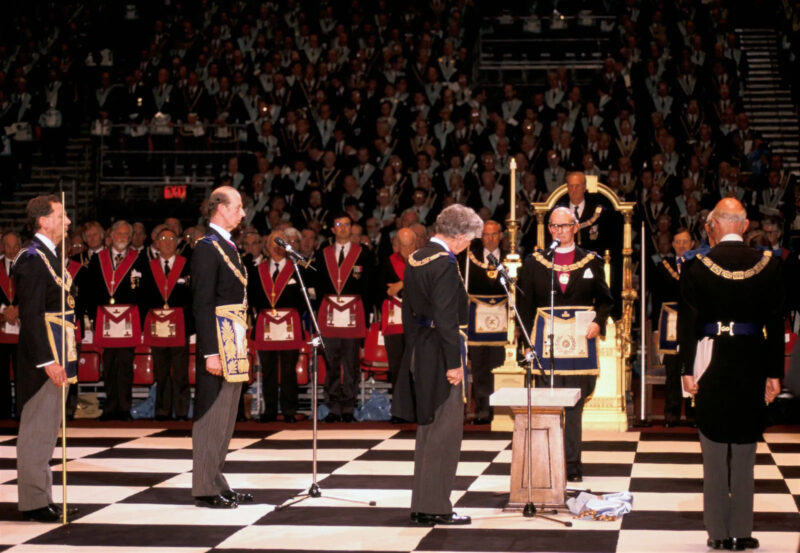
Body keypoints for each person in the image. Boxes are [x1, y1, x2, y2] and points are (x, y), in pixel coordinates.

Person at [679, 198, 783, 551]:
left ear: (715, 225)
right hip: (752, 358)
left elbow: (688, 324)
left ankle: (717, 533)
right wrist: (774, 373)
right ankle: (741, 531)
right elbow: (773, 323)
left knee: (712, 448)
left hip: (711, 359)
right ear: (744, 224)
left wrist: (685, 370)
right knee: (744, 449)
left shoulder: (695, 266)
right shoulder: (768, 266)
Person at [393, 203, 484, 526]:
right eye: (469, 240)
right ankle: (436, 507)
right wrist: (455, 363)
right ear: (458, 236)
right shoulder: (445, 264)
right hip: (442, 352)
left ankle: (423, 502)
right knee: (444, 433)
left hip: (421, 348)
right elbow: (447, 319)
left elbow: (408, 312)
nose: (467, 247)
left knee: (428, 430)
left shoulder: (416, 257)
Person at [517, 206, 614, 482]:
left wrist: (599, 322)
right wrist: (525, 343)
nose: (560, 231)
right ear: (549, 229)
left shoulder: (591, 261)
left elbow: (607, 301)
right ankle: (545, 461)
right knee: (547, 405)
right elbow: (524, 306)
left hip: (580, 343)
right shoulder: (535, 262)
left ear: (575, 227)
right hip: (545, 341)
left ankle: (572, 465)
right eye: (554, 226)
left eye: (565, 226)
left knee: (573, 406)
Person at [14, 195, 79, 522]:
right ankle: (34, 502)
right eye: (61, 215)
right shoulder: (31, 258)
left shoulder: (49, 256)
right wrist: (47, 362)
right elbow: (32, 316)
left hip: (58, 355)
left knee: (46, 434)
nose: (67, 221)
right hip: (43, 363)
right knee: (36, 434)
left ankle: (42, 496)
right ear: (43, 221)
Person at [191, 185, 253, 509]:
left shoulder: (227, 246)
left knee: (227, 416)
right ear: (220, 209)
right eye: (238, 207)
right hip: (219, 343)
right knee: (211, 414)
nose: (242, 214)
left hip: (234, 339)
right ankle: (204, 486)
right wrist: (210, 352)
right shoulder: (206, 248)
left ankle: (216, 479)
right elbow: (202, 303)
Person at [312, 212, 374, 422]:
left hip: (353, 313)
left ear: (352, 228)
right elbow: (318, 287)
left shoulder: (363, 253)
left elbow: (367, 287)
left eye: (347, 224)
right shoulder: (322, 253)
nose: (344, 228)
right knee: (330, 362)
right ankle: (333, 406)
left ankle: (348, 406)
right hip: (328, 312)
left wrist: (367, 316)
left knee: (351, 363)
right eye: (339, 224)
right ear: (332, 229)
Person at [83, 220, 146, 420]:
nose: (124, 238)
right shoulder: (97, 259)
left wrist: (140, 320)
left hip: (128, 320)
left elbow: (143, 292)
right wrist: (94, 317)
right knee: (108, 365)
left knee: (126, 366)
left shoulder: (139, 259)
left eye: (127, 235)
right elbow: (90, 291)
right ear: (110, 236)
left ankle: (124, 408)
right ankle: (110, 408)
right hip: (105, 320)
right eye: (120, 234)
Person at [249, 229, 305, 423]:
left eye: (281, 242)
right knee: (269, 371)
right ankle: (270, 410)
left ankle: (289, 410)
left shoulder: (297, 268)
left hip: (290, 324)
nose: (277, 246)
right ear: (266, 246)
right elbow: (253, 298)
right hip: (266, 325)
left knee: (289, 370)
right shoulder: (258, 270)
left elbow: (303, 300)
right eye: (274, 242)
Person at [140, 226, 192, 420]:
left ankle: (181, 411)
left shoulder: (186, 264)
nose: (168, 242)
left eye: (172, 239)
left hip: (180, 325)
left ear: (178, 242)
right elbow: (142, 297)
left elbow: (193, 294)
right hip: (157, 325)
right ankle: (162, 411)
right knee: (160, 372)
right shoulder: (148, 266)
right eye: (164, 238)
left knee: (180, 372)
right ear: (156, 243)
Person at [462, 220, 507, 425]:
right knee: (479, 365)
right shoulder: (469, 259)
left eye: (494, 234)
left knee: (498, 364)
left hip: (503, 319)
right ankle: (481, 408)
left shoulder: (510, 259)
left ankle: (499, 408)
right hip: (476, 317)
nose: (490, 239)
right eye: (486, 235)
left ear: (501, 236)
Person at [652, 228, 695, 427]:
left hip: (693, 323)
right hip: (669, 323)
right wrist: (655, 330)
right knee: (673, 369)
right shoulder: (663, 267)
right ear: (672, 245)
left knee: (694, 367)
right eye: (678, 242)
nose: (681, 246)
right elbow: (657, 299)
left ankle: (695, 414)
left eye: (685, 242)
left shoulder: (698, 266)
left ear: (692, 244)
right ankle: (672, 414)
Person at [378, 228, 416, 396]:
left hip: (417, 322)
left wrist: (401, 284)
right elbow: (383, 290)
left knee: (416, 366)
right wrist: (406, 286)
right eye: (403, 245)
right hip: (394, 322)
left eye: (410, 245)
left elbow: (425, 287)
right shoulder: (387, 263)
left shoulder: (423, 262)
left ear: (415, 244)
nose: (407, 250)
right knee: (397, 366)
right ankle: (399, 409)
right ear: (397, 245)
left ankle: (416, 407)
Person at [0, 231, 21, 419]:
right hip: (1, 326)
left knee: (22, 373)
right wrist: (3, 310)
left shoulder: (28, 266)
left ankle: (23, 411)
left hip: (23, 327)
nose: (12, 250)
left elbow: (34, 292)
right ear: (2, 246)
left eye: (16, 246)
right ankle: (3, 411)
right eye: (9, 246)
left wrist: (19, 309)